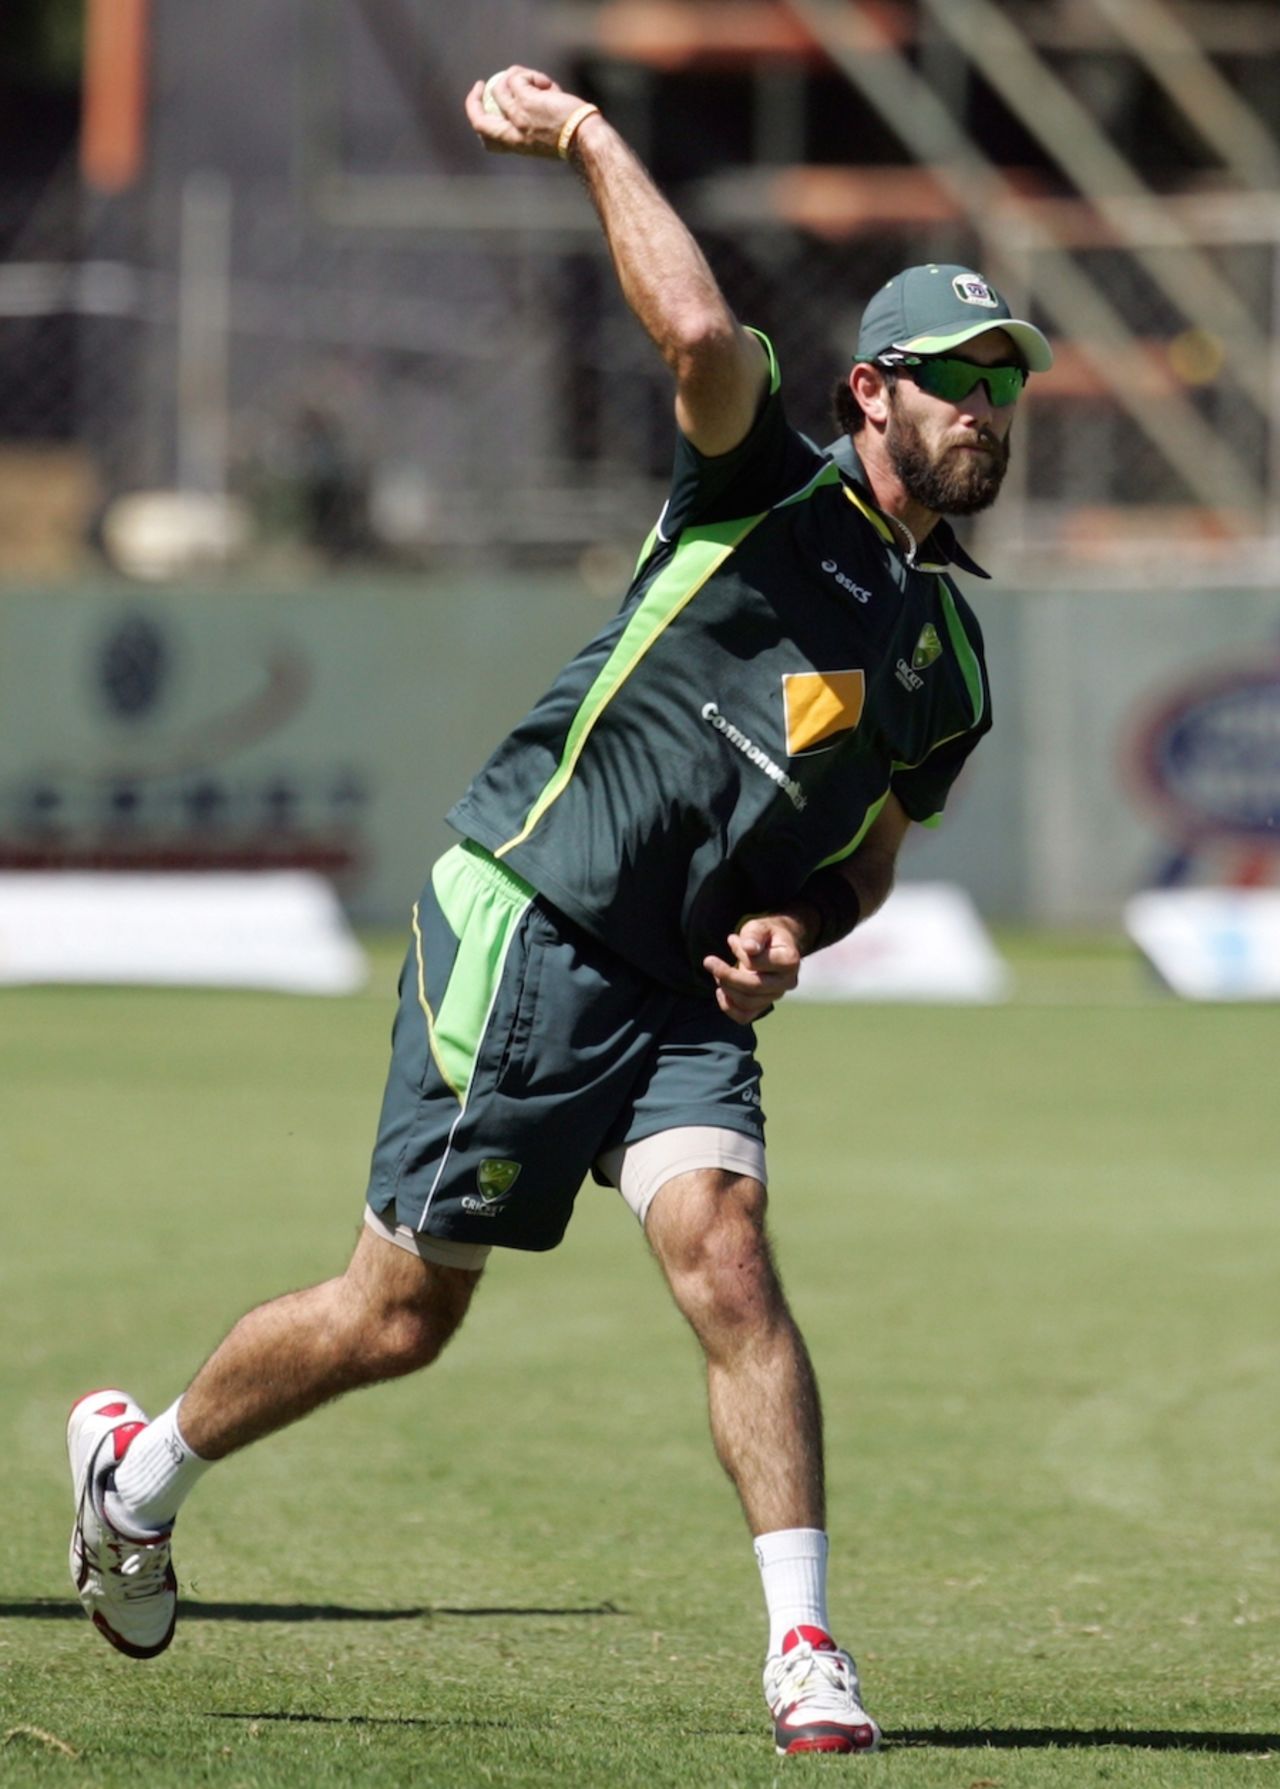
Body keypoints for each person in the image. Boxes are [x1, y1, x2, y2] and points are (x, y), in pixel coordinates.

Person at [67, 66, 1052, 1756]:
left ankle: (805, 1642)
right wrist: (595, 139)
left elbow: (871, 856)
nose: (990, 407)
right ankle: (136, 1473)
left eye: (1007, 382)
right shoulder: (766, 487)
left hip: (684, 989)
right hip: (535, 910)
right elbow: (696, 340)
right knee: (401, 1315)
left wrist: (801, 932)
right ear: (870, 391)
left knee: (729, 1258)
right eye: (958, 380)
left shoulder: (949, 666)